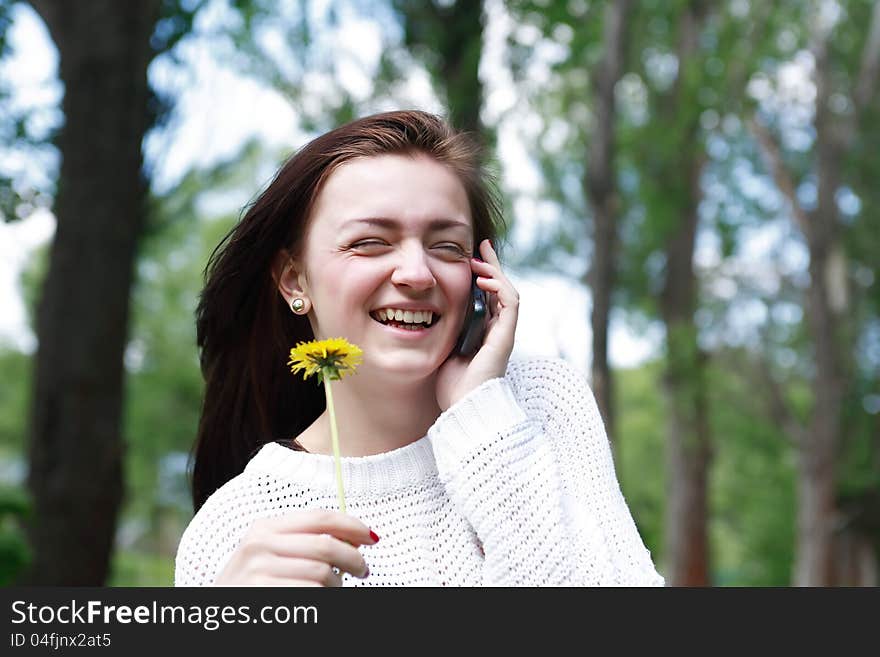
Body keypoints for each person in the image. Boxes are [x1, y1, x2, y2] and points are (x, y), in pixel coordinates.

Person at [174, 109, 664, 586]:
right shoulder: (233, 531)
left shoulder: (537, 404)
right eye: (370, 242)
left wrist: (481, 417)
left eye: (447, 246)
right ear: (294, 279)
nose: (416, 273)